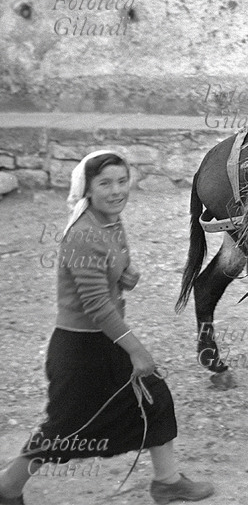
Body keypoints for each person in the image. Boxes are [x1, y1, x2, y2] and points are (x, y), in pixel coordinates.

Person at [0, 152, 214, 505]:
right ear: (87, 188)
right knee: (63, 430)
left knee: (155, 398)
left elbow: (107, 280)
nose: (116, 191)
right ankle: (8, 487)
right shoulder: (85, 234)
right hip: (81, 350)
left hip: (106, 340)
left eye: (121, 181)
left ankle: (167, 481)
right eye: (105, 184)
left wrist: (125, 277)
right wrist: (138, 350)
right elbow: (96, 306)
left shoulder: (110, 223)